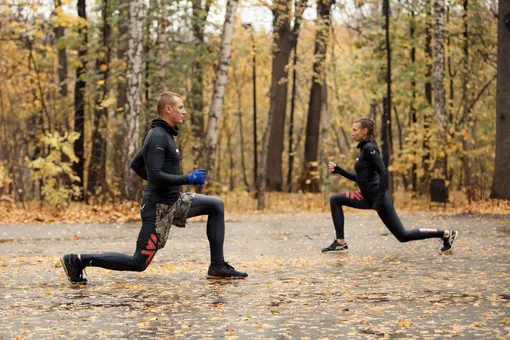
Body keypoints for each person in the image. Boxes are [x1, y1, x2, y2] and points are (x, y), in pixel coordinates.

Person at [61, 92, 247, 284]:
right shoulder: (158, 136)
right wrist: (187, 178)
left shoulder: (164, 134)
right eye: (180, 107)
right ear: (168, 109)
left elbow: (136, 163)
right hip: (157, 208)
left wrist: (164, 182)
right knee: (138, 263)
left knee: (216, 205)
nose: (184, 112)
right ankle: (77, 260)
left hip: (174, 201)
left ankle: (218, 266)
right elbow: (156, 175)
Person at [322, 117, 458, 254]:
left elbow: (384, 173)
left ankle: (446, 234)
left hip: (379, 198)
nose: (352, 133)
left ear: (364, 131)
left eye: (354, 130)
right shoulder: (363, 150)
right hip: (366, 197)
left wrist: (379, 200)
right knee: (335, 199)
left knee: (403, 236)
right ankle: (340, 243)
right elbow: (359, 179)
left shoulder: (370, 148)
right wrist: (339, 170)